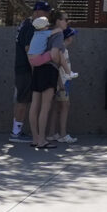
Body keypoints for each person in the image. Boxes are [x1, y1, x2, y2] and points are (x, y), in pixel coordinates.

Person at [25, 12, 65, 149]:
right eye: (65, 19)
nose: (67, 22)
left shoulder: (39, 34)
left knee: (34, 105)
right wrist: (61, 63)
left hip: (37, 70)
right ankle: (42, 140)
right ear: (58, 21)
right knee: (45, 106)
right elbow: (54, 55)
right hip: (49, 71)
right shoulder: (57, 35)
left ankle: (35, 138)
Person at [12, 0, 47, 142]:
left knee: (23, 99)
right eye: (45, 13)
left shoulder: (25, 24)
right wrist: (35, 70)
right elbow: (28, 49)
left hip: (22, 68)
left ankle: (17, 131)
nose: (46, 16)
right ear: (37, 12)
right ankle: (16, 133)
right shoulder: (30, 27)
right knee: (23, 100)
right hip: (25, 69)